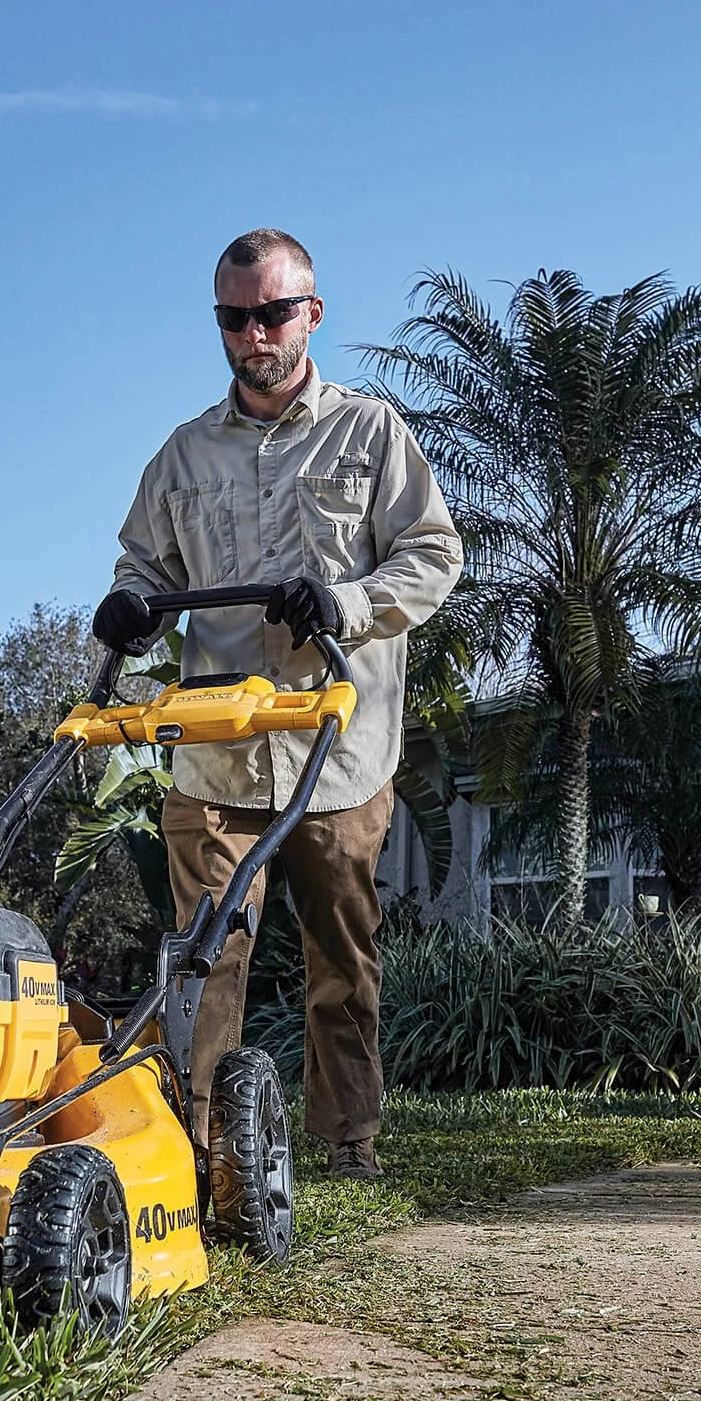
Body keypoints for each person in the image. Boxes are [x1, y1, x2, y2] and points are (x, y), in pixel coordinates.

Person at [94, 229, 462, 1179]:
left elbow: (434, 556)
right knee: (203, 959)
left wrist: (343, 601)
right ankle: (192, 1149)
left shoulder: (371, 434)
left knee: (341, 962)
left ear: (314, 312)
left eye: (273, 312)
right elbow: (144, 564)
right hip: (215, 751)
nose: (255, 334)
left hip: (336, 751)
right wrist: (132, 606)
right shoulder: (183, 455)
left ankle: (348, 1143)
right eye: (234, 317)